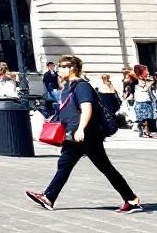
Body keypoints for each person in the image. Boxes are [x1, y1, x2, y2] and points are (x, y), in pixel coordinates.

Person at [27, 55, 142, 214]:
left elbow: (87, 109)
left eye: (62, 66)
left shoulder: (82, 86)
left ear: (72, 68)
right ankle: (48, 197)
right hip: (73, 135)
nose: (59, 69)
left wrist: (81, 129)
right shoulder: (68, 86)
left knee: (104, 167)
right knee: (66, 165)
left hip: (87, 134)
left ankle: (131, 199)